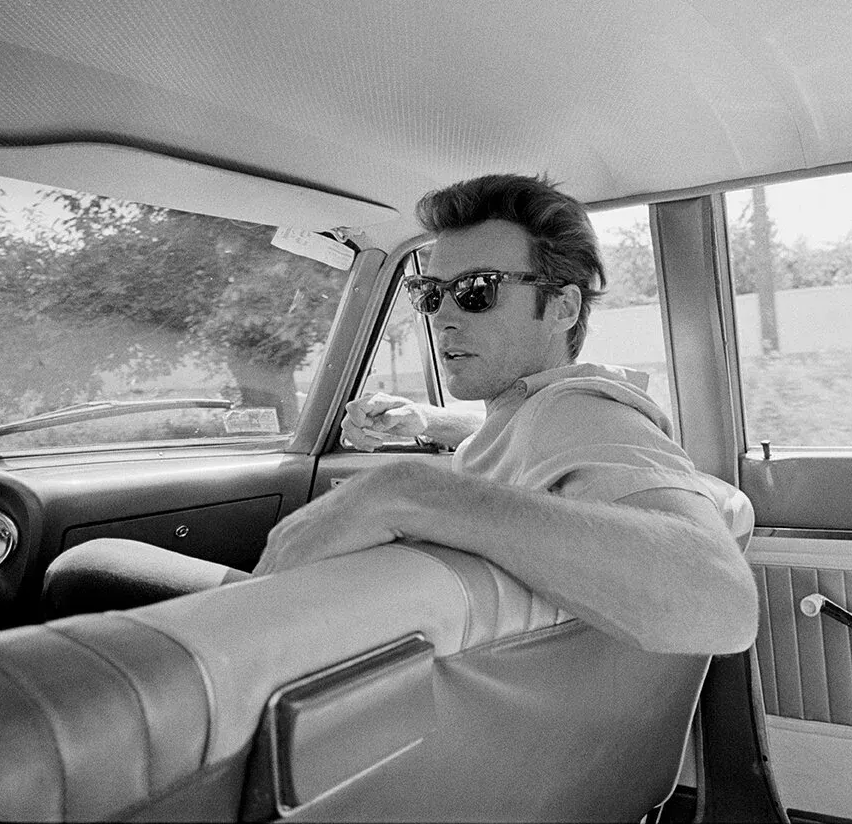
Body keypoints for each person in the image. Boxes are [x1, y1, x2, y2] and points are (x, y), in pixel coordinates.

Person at [252, 173, 757, 655]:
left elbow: (721, 602)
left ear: (561, 307)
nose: (443, 317)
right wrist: (430, 420)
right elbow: (530, 433)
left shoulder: (580, 413)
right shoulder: (546, 415)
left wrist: (406, 492)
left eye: (477, 290)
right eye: (430, 293)